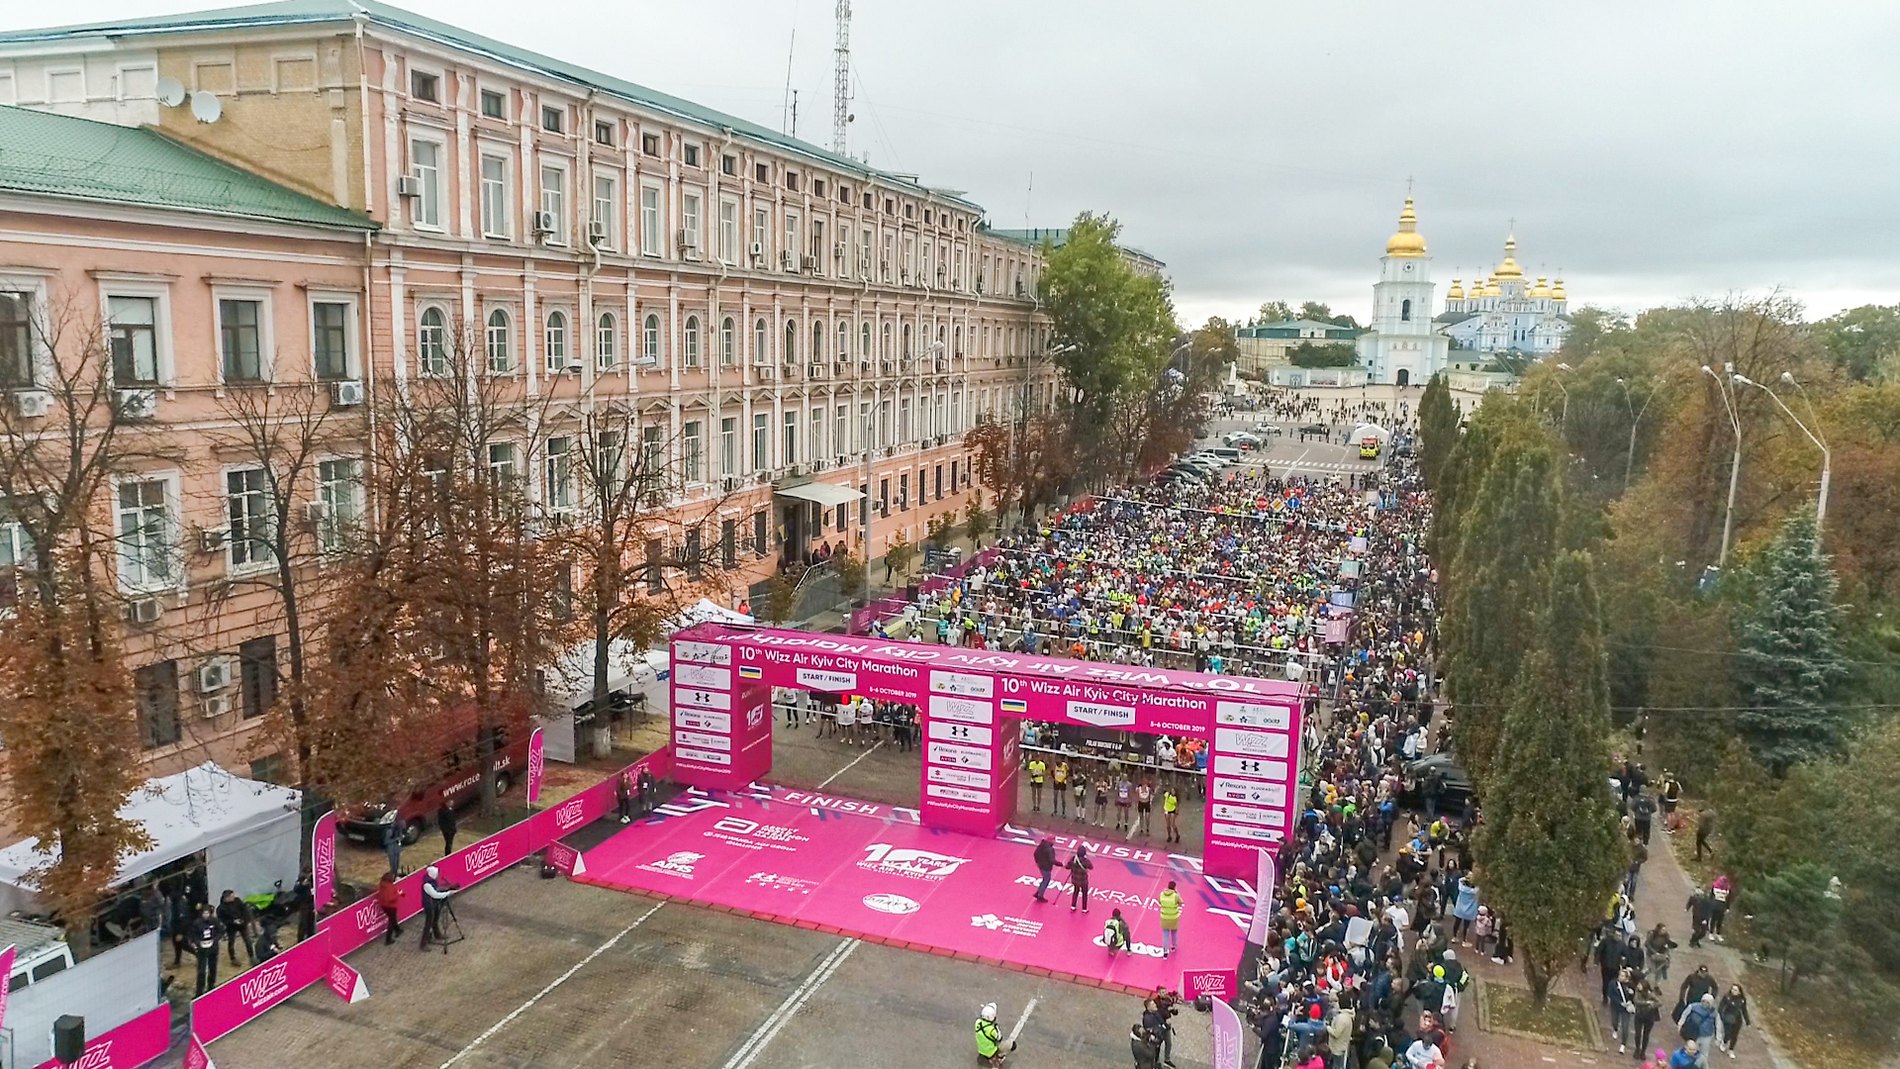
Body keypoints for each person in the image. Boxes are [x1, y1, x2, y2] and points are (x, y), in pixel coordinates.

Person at [1676, 993, 1717, 1067]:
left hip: (1707, 1036)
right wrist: (1680, 1024)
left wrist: (1718, 1037)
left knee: (1704, 1053)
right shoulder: (1693, 1006)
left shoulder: (1714, 1012)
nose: (1705, 1004)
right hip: (1694, 1034)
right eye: (1704, 1001)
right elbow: (1684, 1015)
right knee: (1693, 1052)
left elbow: (1717, 1024)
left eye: (1708, 1002)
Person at [419, 865, 454, 950]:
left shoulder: (433, 881)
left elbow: (437, 889)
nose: (438, 875)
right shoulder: (427, 884)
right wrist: (447, 893)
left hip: (434, 903)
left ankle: (437, 934)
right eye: (436, 874)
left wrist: (445, 889)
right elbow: (435, 894)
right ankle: (423, 943)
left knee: (435, 920)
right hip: (429, 905)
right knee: (428, 923)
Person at [191, 903, 222, 996]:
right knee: (201, 970)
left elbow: (220, 931)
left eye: (207, 913)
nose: (206, 915)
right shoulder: (196, 923)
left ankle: (211, 986)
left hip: (213, 948)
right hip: (202, 949)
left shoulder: (215, 921)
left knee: (213, 968)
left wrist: (215, 940)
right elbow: (193, 935)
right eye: (204, 913)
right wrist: (198, 943)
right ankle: (199, 991)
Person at [216, 889, 252, 967]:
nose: (233, 897)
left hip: (242, 924)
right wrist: (233, 921)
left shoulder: (238, 901)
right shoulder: (221, 908)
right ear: (226, 898)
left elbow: (244, 910)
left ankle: (252, 956)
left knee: (247, 940)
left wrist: (244, 920)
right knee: (231, 942)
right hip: (231, 927)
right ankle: (233, 958)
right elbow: (223, 920)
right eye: (231, 896)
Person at [1716, 983, 1750, 1058]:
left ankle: (1731, 1050)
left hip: (1737, 1019)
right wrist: (1722, 1015)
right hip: (1728, 1018)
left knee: (1734, 1035)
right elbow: (1721, 1006)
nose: (1733, 991)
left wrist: (1747, 1021)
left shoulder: (1742, 1000)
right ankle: (1724, 1042)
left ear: (1739, 992)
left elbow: (1744, 1010)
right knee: (1727, 1033)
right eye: (1732, 989)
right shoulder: (1727, 997)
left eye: (1735, 990)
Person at [975, 1002, 1013, 1066]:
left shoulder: (977, 1023)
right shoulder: (992, 1030)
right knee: (1011, 1044)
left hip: (981, 1050)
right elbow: (999, 1038)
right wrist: (996, 1026)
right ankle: (997, 1058)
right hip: (991, 1052)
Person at [375, 869, 404, 945]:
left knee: (393, 919)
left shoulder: (382, 885)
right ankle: (388, 939)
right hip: (391, 906)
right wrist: (398, 894)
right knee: (391, 921)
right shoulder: (390, 887)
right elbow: (391, 898)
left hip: (384, 905)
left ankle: (398, 930)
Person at [1158, 881, 1182, 958]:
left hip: (1164, 917)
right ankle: (1173, 946)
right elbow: (1181, 902)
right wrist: (1177, 893)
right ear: (1174, 887)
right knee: (1174, 932)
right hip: (1174, 917)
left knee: (1165, 934)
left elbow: (1159, 902)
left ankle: (1165, 951)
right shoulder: (1175, 896)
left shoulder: (1162, 894)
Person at [292, 867, 316, 941]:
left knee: (311, 920)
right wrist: (302, 884)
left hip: (312, 902)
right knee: (303, 922)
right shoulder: (301, 879)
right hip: (304, 903)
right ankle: (300, 939)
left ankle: (310, 935)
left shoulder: (313, 878)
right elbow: (296, 889)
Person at [1068, 845, 1094, 912]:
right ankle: (1084, 908)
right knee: (1084, 894)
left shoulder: (1073, 858)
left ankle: (1073, 906)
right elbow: (1091, 867)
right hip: (1083, 880)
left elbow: (1068, 866)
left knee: (1075, 892)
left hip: (1075, 879)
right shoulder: (1085, 860)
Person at [1032, 837, 1057, 903]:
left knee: (1044, 879)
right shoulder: (1050, 849)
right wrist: (1060, 864)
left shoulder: (1041, 846)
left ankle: (1038, 892)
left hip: (1041, 866)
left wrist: (1037, 862)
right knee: (1046, 880)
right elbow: (1052, 860)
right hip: (1046, 867)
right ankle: (1040, 895)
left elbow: (1035, 854)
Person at [383, 811, 405, 876]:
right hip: (391, 848)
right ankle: (393, 873)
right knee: (393, 863)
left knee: (397, 861)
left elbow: (400, 837)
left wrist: (401, 837)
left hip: (397, 847)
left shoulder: (399, 830)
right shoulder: (389, 831)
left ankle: (396, 872)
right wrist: (396, 839)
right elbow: (386, 841)